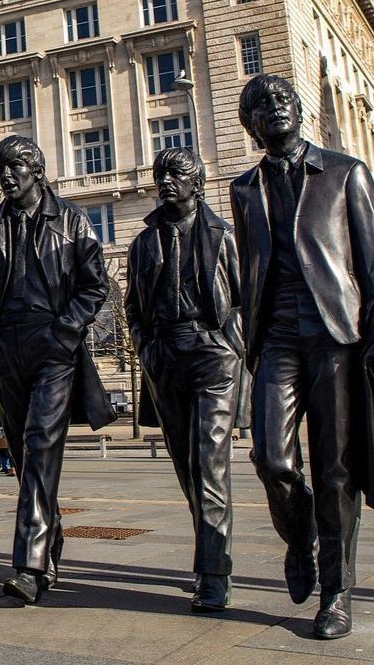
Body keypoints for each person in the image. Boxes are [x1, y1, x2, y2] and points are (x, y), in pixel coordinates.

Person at [231, 73, 374, 639]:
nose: (273, 107)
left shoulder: (344, 172)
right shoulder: (244, 189)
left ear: (299, 111)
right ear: (250, 125)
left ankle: (337, 592)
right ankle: (299, 538)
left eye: (281, 98)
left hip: (336, 332)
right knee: (272, 460)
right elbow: (250, 270)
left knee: (335, 468)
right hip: (275, 335)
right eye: (260, 104)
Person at [0, 136, 113, 604]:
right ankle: (48, 534)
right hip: (6, 351)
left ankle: (30, 566)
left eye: (14, 167)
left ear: (36, 168)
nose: (7, 177)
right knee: (22, 454)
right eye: (0, 170)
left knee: (39, 444)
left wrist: (66, 330)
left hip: (52, 343)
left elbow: (96, 285)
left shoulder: (71, 219)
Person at [126, 147, 247, 613]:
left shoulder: (223, 236)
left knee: (210, 463)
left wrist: (230, 342)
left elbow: (242, 297)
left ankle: (214, 572)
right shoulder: (143, 242)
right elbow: (134, 306)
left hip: (213, 354)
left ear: (197, 184)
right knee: (187, 467)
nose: (166, 181)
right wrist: (145, 345)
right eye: (161, 174)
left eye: (177, 174)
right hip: (164, 355)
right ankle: (209, 552)